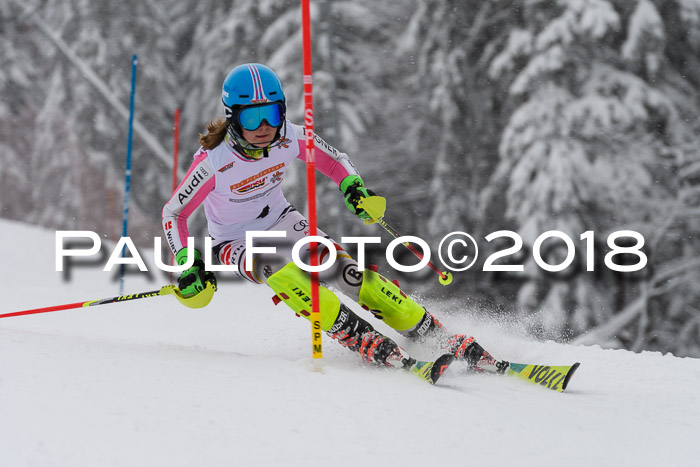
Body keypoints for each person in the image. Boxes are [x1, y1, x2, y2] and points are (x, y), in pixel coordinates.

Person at [162, 63, 504, 378]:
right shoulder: (213, 162)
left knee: (347, 271)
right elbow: (173, 213)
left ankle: (429, 333)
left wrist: (353, 187)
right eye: (252, 118)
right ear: (232, 118)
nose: (264, 127)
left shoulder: (289, 137)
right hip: (234, 242)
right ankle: (357, 334)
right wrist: (187, 262)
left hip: (281, 220)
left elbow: (336, 161)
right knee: (284, 272)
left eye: (272, 113)